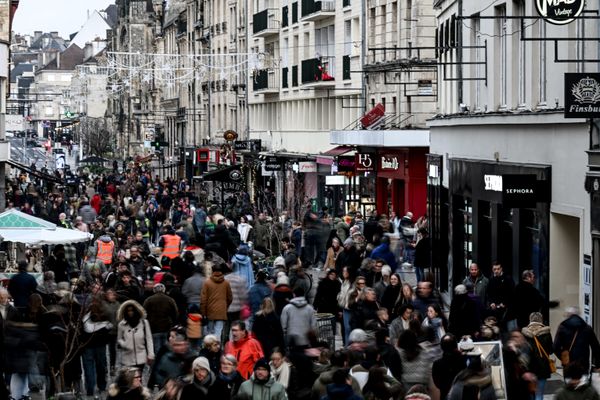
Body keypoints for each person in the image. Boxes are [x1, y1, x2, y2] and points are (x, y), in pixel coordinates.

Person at [554, 306, 600, 372]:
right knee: (583, 381)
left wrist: (564, 358)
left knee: (570, 381)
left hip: (568, 364)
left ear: (568, 315)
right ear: (578, 315)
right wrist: (598, 364)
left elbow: (555, 347)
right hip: (583, 364)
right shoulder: (587, 328)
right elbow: (596, 347)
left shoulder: (562, 328)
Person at [522, 312, 554, 400]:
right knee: (539, 394)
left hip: (529, 368)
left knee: (530, 393)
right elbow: (551, 351)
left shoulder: (524, 334)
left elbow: (523, 352)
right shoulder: (546, 333)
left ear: (530, 320)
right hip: (543, 367)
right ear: (541, 320)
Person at [116, 300, 154, 371]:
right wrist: (125, 344)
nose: (130, 312)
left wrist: (151, 354)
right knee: (130, 378)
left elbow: (149, 339)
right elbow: (119, 339)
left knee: (138, 378)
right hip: (127, 357)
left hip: (141, 356)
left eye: (132, 310)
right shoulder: (121, 325)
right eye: (128, 311)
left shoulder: (144, 323)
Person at [143, 283, 178, 355]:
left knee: (157, 347)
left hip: (153, 328)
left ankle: (158, 362)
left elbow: (144, 313)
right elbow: (175, 313)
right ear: (164, 290)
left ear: (154, 290)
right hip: (166, 327)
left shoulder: (149, 300)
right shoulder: (170, 300)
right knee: (166, 346)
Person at [200, 264, 233, 342]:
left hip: (210, 311)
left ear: (212, 271)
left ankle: (209, 348)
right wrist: (225, 307)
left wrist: (203, 313)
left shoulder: (207, 283)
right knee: (218, 332)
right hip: (221, 311)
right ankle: (217, 349)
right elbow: (230, 298)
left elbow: (203, 300)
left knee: (210, 332)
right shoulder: (226, 283)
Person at [431, 334, 467, 400]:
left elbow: (437, 383)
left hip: (445, 394)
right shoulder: (463, 360)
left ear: (442, 347)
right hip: (462, 395)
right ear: (455, 346)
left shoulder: (437, 364)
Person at [486, 262, 515, 331]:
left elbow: (512, 293)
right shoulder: (491, 280)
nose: (496, 271)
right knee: (495, 329)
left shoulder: (508, 279)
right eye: (494, 269)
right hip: (495, 309)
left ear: (501, 269)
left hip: (507, 309)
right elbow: (489, 293)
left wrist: (505, 303)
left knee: (506, 329)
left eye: (498, 269)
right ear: (492, 270)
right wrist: (491, 302)